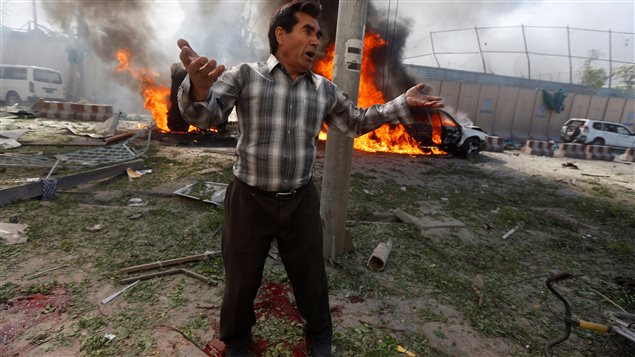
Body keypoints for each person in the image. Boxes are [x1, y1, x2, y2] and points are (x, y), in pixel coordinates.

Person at [176, 1, 443, 356]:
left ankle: (319, 335)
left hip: (300, 200)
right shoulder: (244, 76)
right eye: (307, 31)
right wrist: (196, 88)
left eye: (318, 33)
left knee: (311, 278)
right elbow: (205, 117)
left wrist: (402, 103)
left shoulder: (324, 89)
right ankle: (237, 340)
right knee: (241, 281)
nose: (316, 40)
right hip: (249, 199)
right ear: (281, 35)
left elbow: (357, 121)